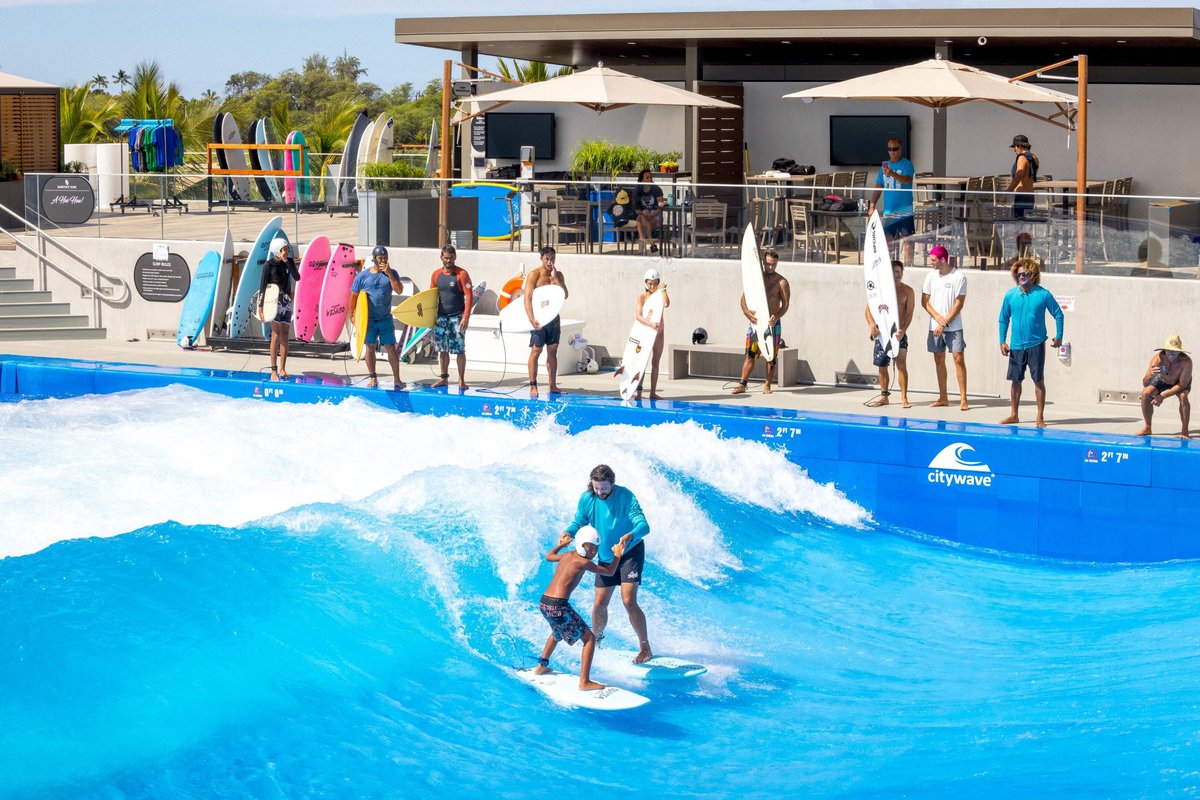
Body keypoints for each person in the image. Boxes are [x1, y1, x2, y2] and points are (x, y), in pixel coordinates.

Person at [562, 464, 653, 664]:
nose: (600, 492)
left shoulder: (626, 496)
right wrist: (568, 532)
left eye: (604, 487)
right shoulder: (588, 498)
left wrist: (631, 535)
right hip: (605, 555)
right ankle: (596, 643)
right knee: (599, 604)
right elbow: (579, 521)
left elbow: (644, 525)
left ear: (612, 483)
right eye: (596, 488)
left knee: (629, 600)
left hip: (629, 551)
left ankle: (645, 648)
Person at [535, 529, 632, 691]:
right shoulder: (583, 562)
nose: (593, 552)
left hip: (545, 603)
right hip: (558, 605)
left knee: (556, 633)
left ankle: (541, 666)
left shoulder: (567, 555)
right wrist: (617, 555)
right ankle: (584, 682)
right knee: (589, 639)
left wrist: (562, 546)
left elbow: (549, 556)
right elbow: (610, 572)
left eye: (595, 548)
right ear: (580, 545)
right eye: (589, 548)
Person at [997, 256, 1064, 428]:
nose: (1021, 277)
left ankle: (1040, 417)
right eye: (1018, 274)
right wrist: (1002, 341)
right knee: (1015, 381)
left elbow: (1058, 314)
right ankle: (1014, 415)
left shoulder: (1043, 294)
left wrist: (1059, 336)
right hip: (1016, 345)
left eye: (1024, 274)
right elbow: (1003, 319)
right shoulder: (1010, 295)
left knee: (1038, 380)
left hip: (1036, 343)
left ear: (1032, 275)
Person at [732, 248, 791, 396]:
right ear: (763, 262)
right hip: (756, 323)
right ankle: (742, 384)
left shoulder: (782, 282)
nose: (770, 267)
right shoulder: (756, 280)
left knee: (771, 356)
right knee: (750, 354)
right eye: (768, 264)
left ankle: (767, 385)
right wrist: (747, 313)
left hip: (772, 324)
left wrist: (776, 317)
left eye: (773, 264)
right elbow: (743, 300)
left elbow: (785, 305)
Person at [349, 245, 406, 389]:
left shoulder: (392, 273)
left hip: (385, 318)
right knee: (370, 347)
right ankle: (373, 377)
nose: (384, 261)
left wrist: (390, 274)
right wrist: (352, 314)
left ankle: (397, 379)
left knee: (390, 347)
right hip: (368, 320)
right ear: (374, 259)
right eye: (381, 258)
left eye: (386, 258)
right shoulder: (363, 276)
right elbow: (354, 296)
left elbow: (399, 290)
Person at [921, 244, 969, 410]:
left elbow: (959, 304)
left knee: (958, 358)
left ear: (943, 259)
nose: (931, 263)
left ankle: (963, 398)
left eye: (933, 260)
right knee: (938, 359)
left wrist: (944, 322)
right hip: (935, 326)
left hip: (953, 326)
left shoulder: (959, 277)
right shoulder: (930, 276)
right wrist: (936, 318)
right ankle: (943, 397)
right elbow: (924, 301)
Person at [864, 259, 914, 408]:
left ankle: (904, 398)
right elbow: (868, 310)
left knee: (901, 363)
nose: (897, 275)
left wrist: (902, 331)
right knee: (882, 366)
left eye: (899, 272)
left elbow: (909, 314)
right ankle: (884, 396)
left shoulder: (907, 291)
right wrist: (872, 326)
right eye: (894, 272)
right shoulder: (879, 290)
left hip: (899, 333)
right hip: (882, 334)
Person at [523, 245, 570, 398]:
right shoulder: (534, 274)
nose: (550, 262)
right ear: (541, 259)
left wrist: (556, 279)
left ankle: (553, 385)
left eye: (552, 259)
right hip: (539, 319)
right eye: (547, 259)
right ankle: (533, 385)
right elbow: (527, 298)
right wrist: (531, 318)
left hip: (554, 318)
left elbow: (565, 295)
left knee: (553, 351)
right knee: (536, 351)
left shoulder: (558, 275)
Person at [428, 244, 472, 389]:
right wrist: (430, 317)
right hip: (441, 318)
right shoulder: (436, 275)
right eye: (446, 258)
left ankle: (461, 380)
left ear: (455, 257)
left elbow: (469, 295)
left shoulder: (461, 274)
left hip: (456, 318)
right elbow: (431, 296)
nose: (449, 260)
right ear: (441, 258)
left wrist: (466, 317)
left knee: (459, 349)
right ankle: (444, 378)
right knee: (443, 349)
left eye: (451, 258)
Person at [867, 137, 915, 265]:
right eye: (889, 149)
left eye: (895, 149)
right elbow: (878, 186)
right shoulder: (883, 168)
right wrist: (872, 205)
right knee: (887, 241)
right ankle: (888, 268)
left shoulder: (907, 164)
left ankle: (908, 268)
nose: (892, 152)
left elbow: (906, 180)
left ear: (900, 149)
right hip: (890, 210)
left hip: (905, 209)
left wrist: (891, 173)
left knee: (908, 241)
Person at [257, 237, 300, 381]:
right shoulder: (269, 265)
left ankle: (282, 368)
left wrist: (287, 262)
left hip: (286, 301)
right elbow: (263, 286)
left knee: (285, 336)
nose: (288, 251)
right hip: (274, 302)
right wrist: (261, 308)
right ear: (279, 250)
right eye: (286, 248)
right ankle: (273, 370)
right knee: (275, 335)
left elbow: (297, 277)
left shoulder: (289, 262)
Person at [1136, 335, 1193, 438]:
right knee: (1146, 392)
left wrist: (1162, 396)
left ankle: (1185, 431)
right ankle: (1147, 427)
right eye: (1169, 351)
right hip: (1162, 379)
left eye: (1175, 351)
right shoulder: (1158, 359)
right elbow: (1145, 383)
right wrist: (1149, 374)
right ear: (1164, 350)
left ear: (1180, 352)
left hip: (1179, 382)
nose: (1171, 354)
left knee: (1183, 397)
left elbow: (1182, 384)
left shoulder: (1186, 362)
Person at [634, 268, 669, 400]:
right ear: (645, 283)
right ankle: (638, 393)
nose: (652, 286)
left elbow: (666, 304)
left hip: (659, 332)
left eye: (655, 283)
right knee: (642, 362)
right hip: (647, 331)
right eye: (650, 283)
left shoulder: (660, 295)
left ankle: (652, 392)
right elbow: (638, 316)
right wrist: (650, 325)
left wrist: (663, 289)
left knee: (656, 362)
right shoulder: (642, 297)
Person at [632, 169, 666, 254]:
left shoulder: (656, 189)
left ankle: (641, 248)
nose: (650, 179)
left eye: (650, 177)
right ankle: (651, 242)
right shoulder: (637, 190)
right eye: (647, 178)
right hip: (644, 215)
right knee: (641, 217)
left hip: (656, 216)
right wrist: (643, 212)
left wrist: (652, 214)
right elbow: (636, 210)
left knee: (641, 220)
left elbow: (660, 207)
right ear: (642, 180)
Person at [1009, 134, 1040, 220]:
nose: (1014, 151)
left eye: (1014, 147)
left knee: (1018, 225)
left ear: (1018, 145)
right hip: (1030, 195)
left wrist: (1007, 192)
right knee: (1026, 225)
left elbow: (1018, 176)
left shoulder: (1022, 158)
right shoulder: (1034, 157)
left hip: (1021, 196)